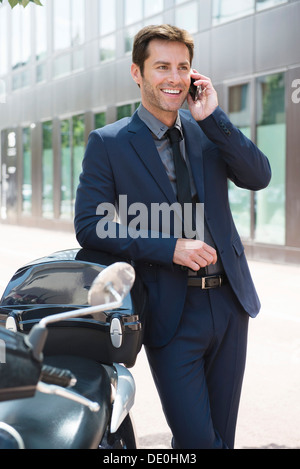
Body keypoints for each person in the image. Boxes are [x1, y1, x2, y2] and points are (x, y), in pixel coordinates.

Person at [74, 24, 271, 449]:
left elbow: (259, 176)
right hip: (171, 311)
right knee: (199, 440)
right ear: (137, 73)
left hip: (229, 303)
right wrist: (170, 248)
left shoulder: (207, 129)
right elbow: (91, 224)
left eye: (183, 67)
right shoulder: (108, 144)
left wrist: (215, 118)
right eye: (162, 66)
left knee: (222, 438)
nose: (175, 78)